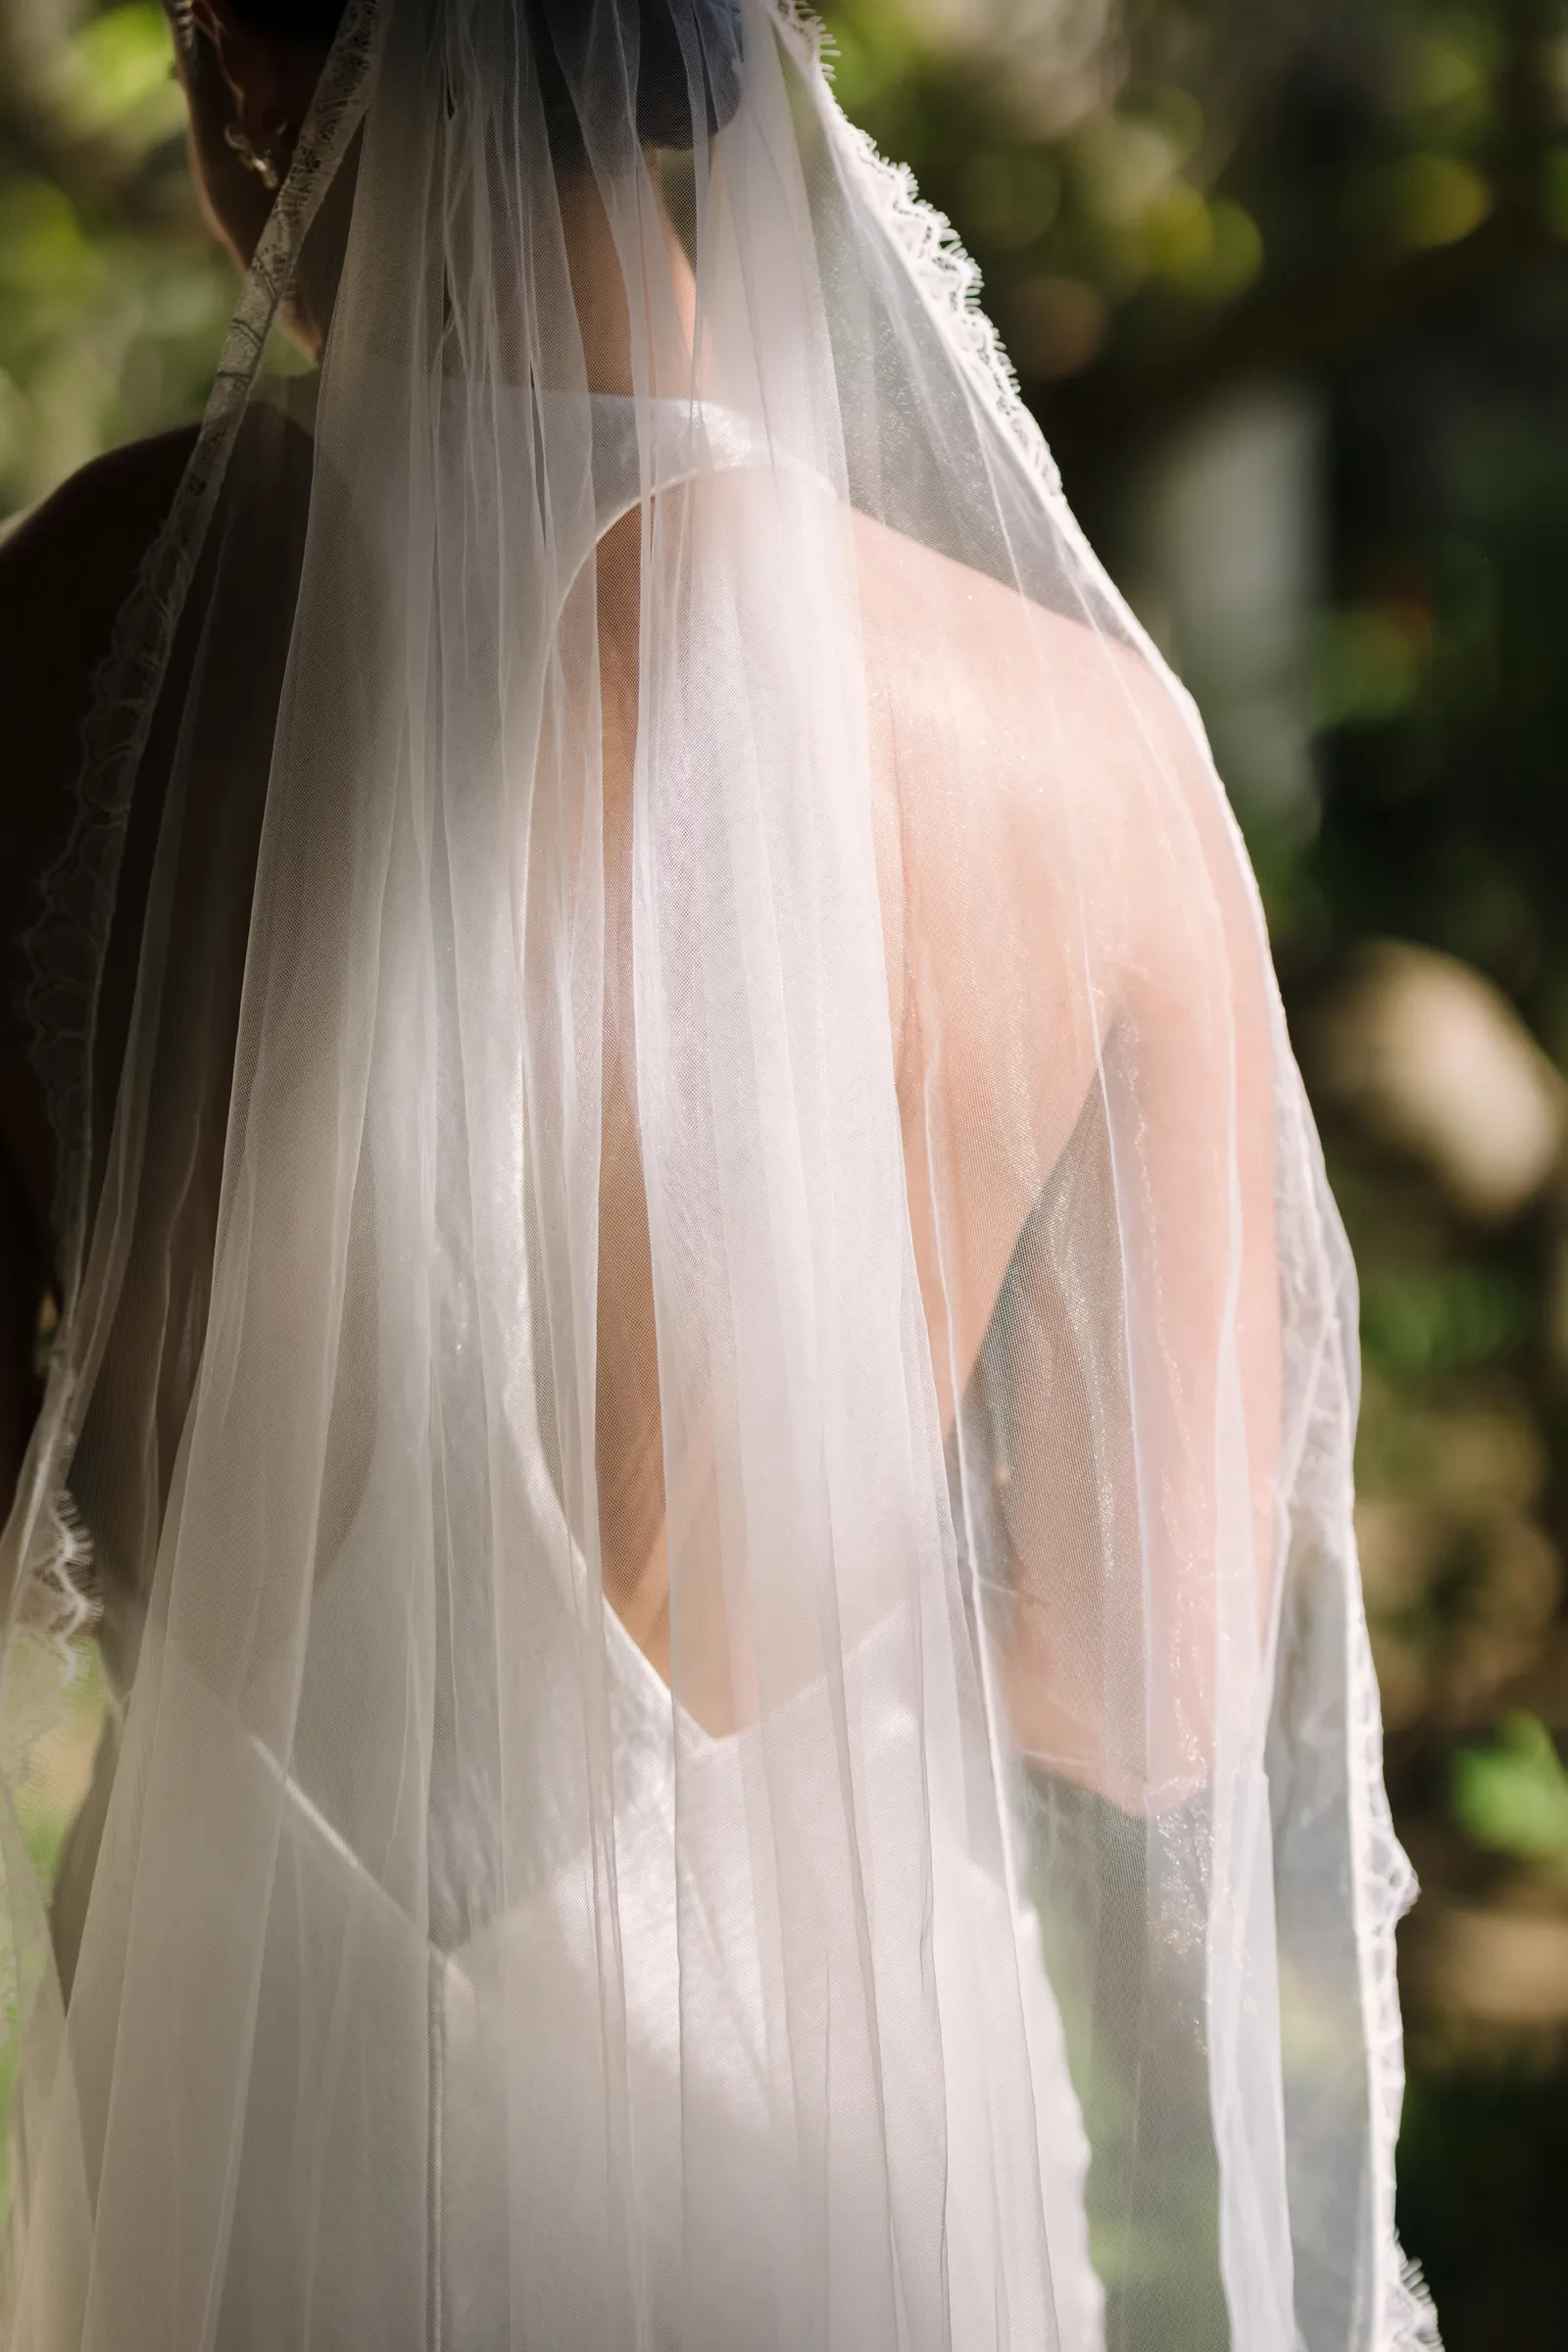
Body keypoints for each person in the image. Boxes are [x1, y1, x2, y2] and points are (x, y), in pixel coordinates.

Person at [0, 2, 1438, 2346]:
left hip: (250, 2127)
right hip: (838, 2142)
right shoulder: (1078, 746)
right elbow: (1134, 1689)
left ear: (247, 69)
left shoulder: (79, 629)